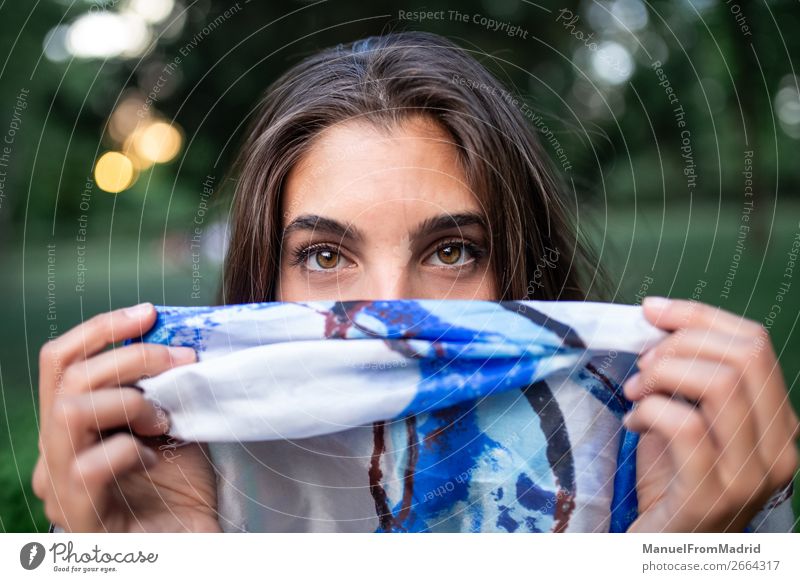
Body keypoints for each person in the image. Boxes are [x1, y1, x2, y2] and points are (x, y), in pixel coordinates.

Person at [33, 31, 798, 532]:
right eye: (327, 257)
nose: (393, 314)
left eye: (454, 251)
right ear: (263, 281)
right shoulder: (155, 493)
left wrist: (680, 552)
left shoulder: (690, 475)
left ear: (526, 273)